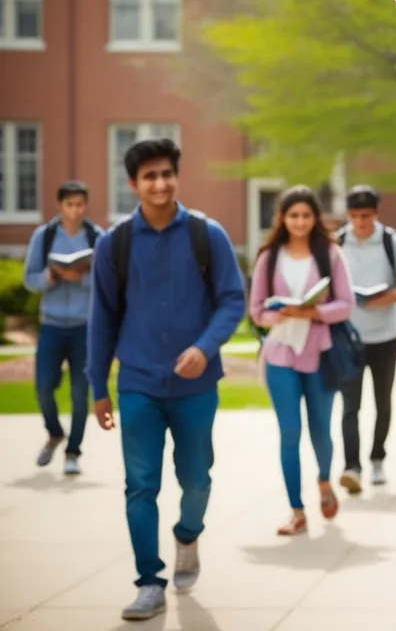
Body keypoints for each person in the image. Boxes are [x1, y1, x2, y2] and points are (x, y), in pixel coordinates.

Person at [87, 138, 246, 621]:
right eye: (149, 176)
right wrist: (98, 388)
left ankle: (187, 534)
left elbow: (232, 300)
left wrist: (204, 347)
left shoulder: (207, 234)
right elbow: (103, 320)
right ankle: (148, 582)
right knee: (140, 485)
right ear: (133, 184)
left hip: (197, 388)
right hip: (138, 385)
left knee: (196, 480)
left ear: (177, 177)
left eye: (166, 174)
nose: (160, 183)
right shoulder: (114, 244)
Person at [248, 185, 355, 535]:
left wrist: (311, 311)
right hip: (280, 354)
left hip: (321, 354)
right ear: (283, 218)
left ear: (315, 218)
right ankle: (296, 510)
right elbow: (256, 310)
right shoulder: (269, 257)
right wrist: (278, 313)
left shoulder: (331, 254)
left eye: (306, 215)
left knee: (321, 430)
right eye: (293, 215)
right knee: (289, 432)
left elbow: (345, 305)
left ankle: (324, 481)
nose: (300, 222)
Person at [335, 185, 396, 493]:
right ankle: (351, 467)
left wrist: (377, 299)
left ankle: (377, 458)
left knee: (382, 401)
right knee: (349, 405)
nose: (360, 223)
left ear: (376, 213)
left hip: (385, 335)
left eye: (365, 216)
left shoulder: (392, 242)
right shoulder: (339, 242)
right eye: (354, 216)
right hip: (350, 337)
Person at [22, 181, 101, 476]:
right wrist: (49, 278)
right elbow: (29, 278)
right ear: (60, 206)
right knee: (43, 387)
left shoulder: (96, 237)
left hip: (84, 327)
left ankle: (72, 452)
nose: (75, 210)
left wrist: (79, 277)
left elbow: (106, 282)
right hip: (52, 326)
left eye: (80, 204)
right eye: (70, 205)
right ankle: (55, 433)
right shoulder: (44, 236)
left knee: (81, 393)